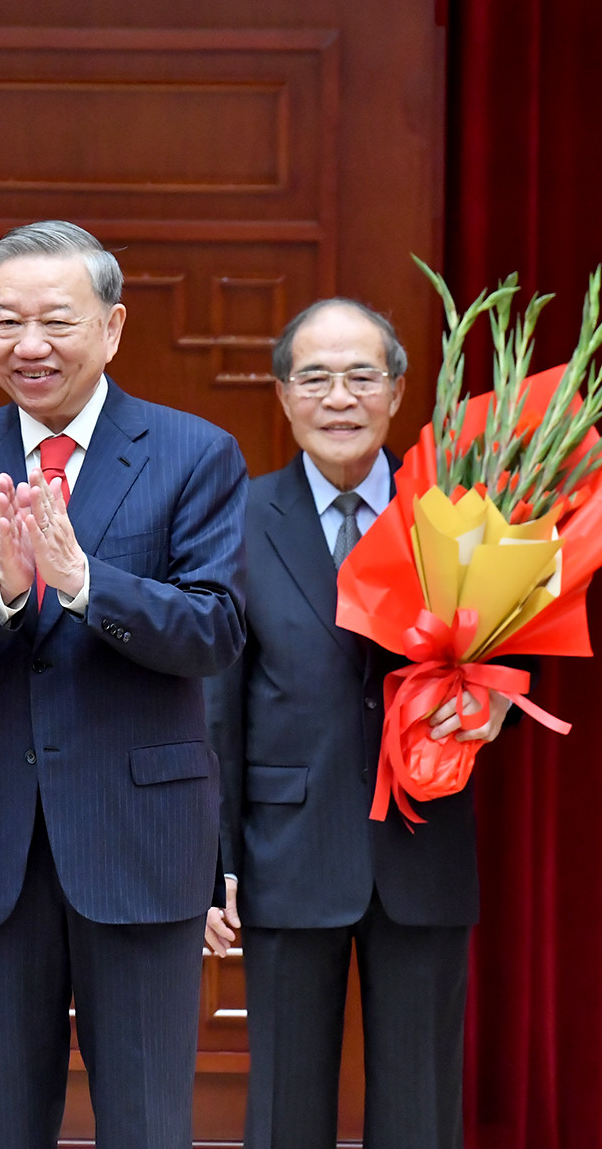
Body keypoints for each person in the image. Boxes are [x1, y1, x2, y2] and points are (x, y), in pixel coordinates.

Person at [0, 220, 248, 1149]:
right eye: (6, 322)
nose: (27, 346)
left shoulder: (194, 453)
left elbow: (217, 629)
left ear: (114, 328)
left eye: (55, 321)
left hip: (140, 838)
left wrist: (84, 585)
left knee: (148, 1123)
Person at [203, 299, 511, 1149]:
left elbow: (510, 655)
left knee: (421, 1112)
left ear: (397, 391)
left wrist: (493, 709)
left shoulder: (457, 515)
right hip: (285, 851)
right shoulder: (238, 518)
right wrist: (215, 864)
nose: (340, 397)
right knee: (285, 1112)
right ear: (284, 396)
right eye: (316, 378)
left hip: (424, 843)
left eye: (361, 377)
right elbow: (216, 710)